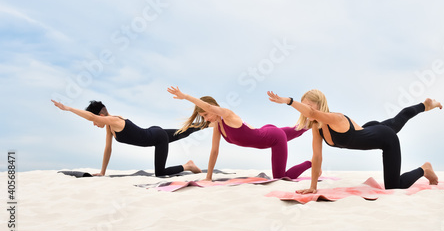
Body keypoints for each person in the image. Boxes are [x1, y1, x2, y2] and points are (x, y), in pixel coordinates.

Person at [267, 90, 442, 193]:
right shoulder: (316, 128)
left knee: (393, 187)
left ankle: (424, 169)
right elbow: (317, 157)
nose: (306, 111)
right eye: (303, 106)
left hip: (384, 138)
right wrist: (313, 187)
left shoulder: (335, 118)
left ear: (319, 105)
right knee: (398, 120)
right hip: (368, 130)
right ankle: (425, 105)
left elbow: (312, 114)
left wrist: (288, 101)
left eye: (308, 106)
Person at [167, 86, 312, 180]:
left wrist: (185, 96)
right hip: (266, 131)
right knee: (299, 129)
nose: (206, 119)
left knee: (281, 177)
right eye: (203, 117)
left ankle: (311, 163)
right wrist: (208, 177)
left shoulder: (227, 114)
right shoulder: (218, 126)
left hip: (273, 138)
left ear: (213, 108)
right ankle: (310, 123)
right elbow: (214, 151)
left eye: (206, 114)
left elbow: (208, 106)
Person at [51, 99, 202, 176]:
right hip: (154, 133)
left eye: (96, 121)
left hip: (157, 137)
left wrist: (68, 108)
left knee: (160, 173)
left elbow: (91, 117)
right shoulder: (110, 128)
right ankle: (208, 124)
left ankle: (188, 165)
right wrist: (103, 172)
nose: (94, 124)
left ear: (101, 116)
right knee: (185, 131)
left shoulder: (114, 121)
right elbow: (108, 149)